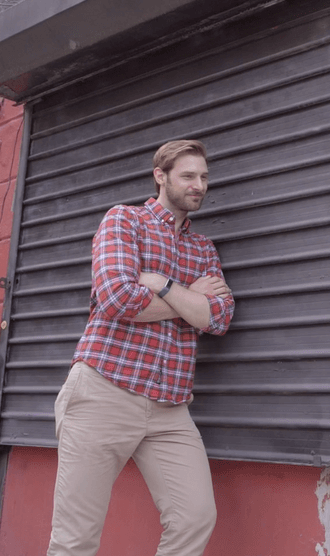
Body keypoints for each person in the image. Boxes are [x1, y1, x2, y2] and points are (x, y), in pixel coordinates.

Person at [48, 140, 235, 556]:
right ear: (161, 176)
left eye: (204, 177)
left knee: (195, 518)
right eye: (188, 176)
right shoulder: (124, 221)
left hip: (169, 406)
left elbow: (219, 317)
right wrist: (191, 302)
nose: (198, 185)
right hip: (104, 390)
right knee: (75, 537)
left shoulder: (203, 249)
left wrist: (164, 284)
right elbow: (117, 299)